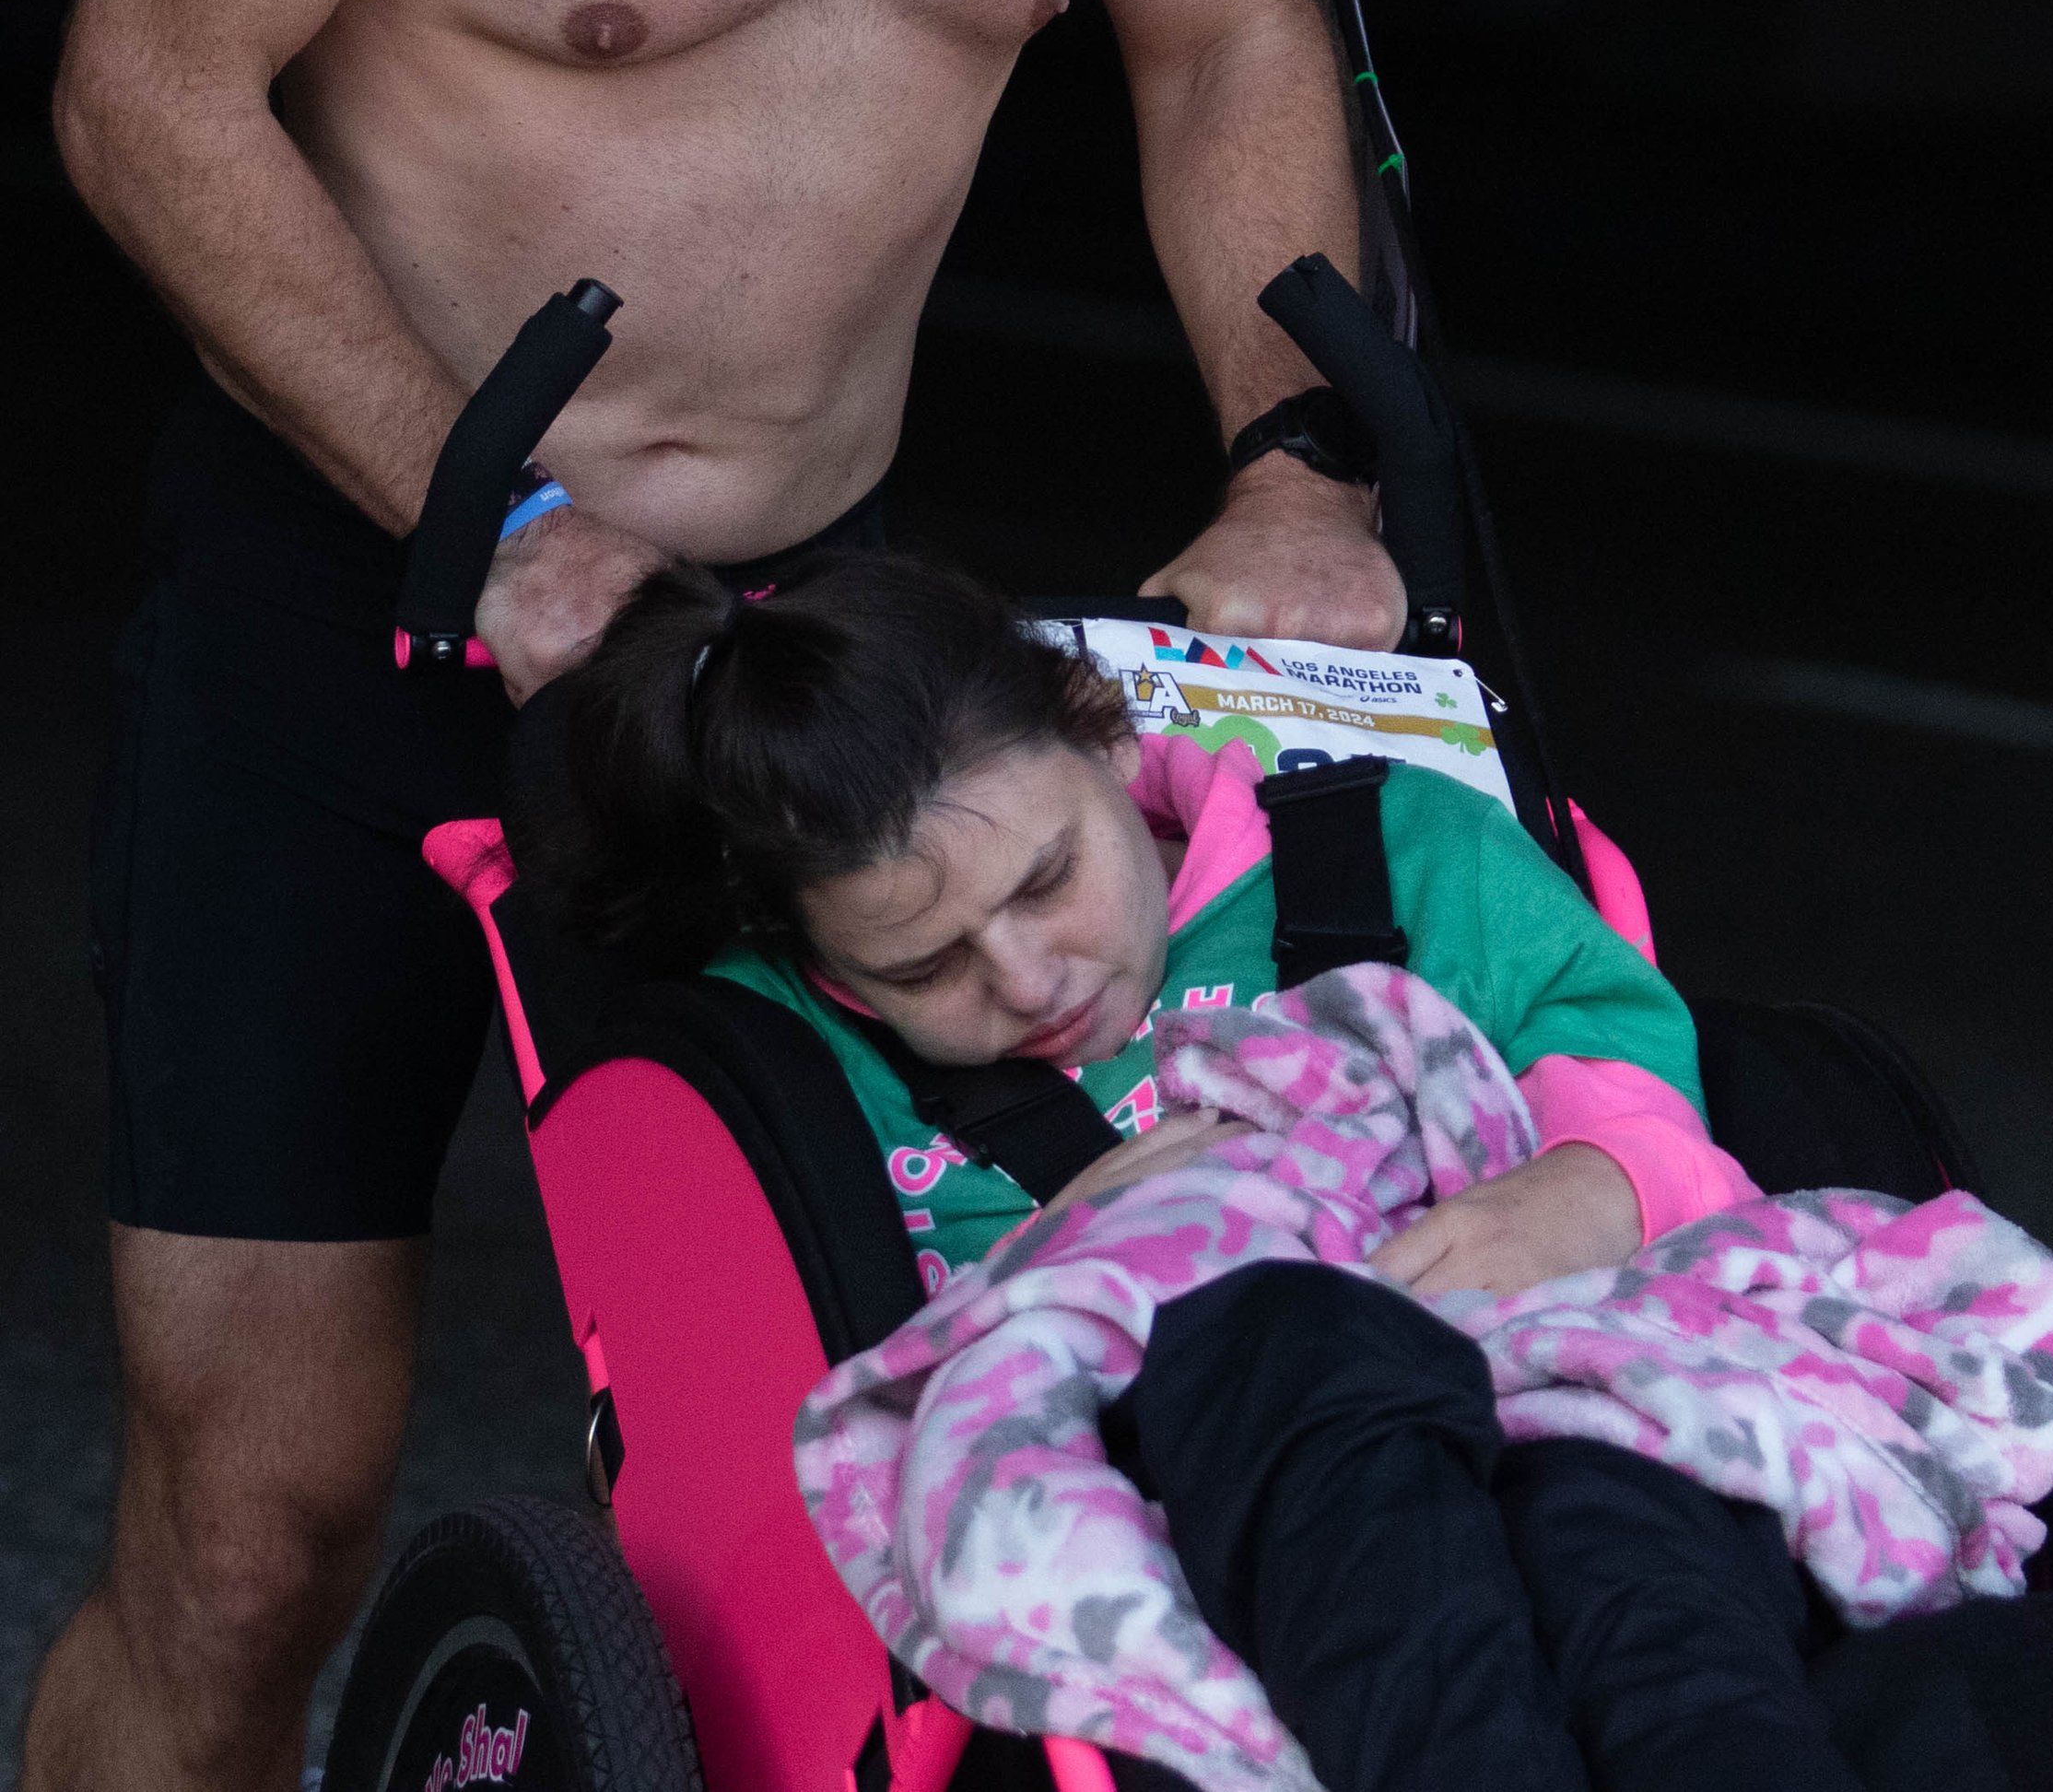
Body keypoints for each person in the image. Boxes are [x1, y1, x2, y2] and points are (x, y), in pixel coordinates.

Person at [30, 0, 1402, 1789]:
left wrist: (1300, 447)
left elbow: (1225, 31)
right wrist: (493, 517)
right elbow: (149, 77)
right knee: (260, 1507)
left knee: (938, 1488)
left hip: (802, 662)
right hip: (379, 596)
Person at [524, 549, 1870, 1792]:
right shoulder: (783, 1058)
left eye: (1048, 879)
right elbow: (834, 1417)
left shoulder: (1395, 854)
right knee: (1295, 1360)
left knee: (1632, 1556)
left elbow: (1627, 1064)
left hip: (1555, 1388)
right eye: (926, 966)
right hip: (1192, 1523)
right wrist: (1054, 1258)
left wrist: (1588, 1185)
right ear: (821, 955)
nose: (1029, 979)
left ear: (1107, 732)